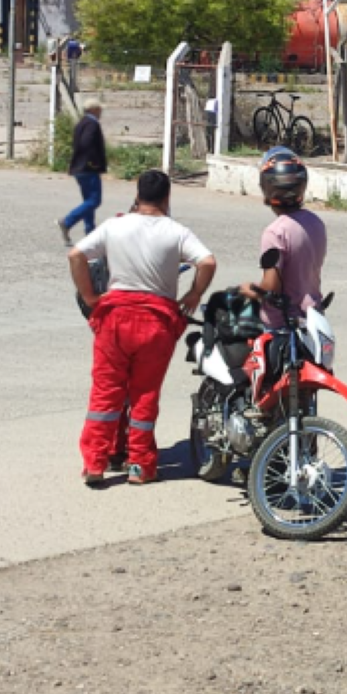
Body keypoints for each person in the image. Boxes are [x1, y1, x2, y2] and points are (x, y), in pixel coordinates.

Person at [69, 169, 217, 487]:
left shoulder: (115, 226)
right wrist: (194, 293)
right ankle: (140, 465)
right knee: (145, 395)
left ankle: (95, 463)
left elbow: (76, 254)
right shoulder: (176, 232)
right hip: (156, 324)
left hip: (114, 320)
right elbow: (207, 262)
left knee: (105, 394)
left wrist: (89, 296)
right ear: (167, 198)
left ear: (137, 195)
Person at [238, 147, 327, 330]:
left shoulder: (275, 232)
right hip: (314, 317)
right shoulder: (315, 222)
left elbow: (271, 288)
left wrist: (250, 290)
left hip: (283, 326)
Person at [59, 99, 107, 245]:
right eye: (99, 109)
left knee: (88, 201)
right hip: (88, 168)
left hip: (79, 167)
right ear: (94, 110)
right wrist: (93, 162)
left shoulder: (81, 123)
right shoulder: (92, 124)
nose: (101, 112)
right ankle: (67, 221)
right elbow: (87, 143)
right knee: (94, 200)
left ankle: (90, 232)